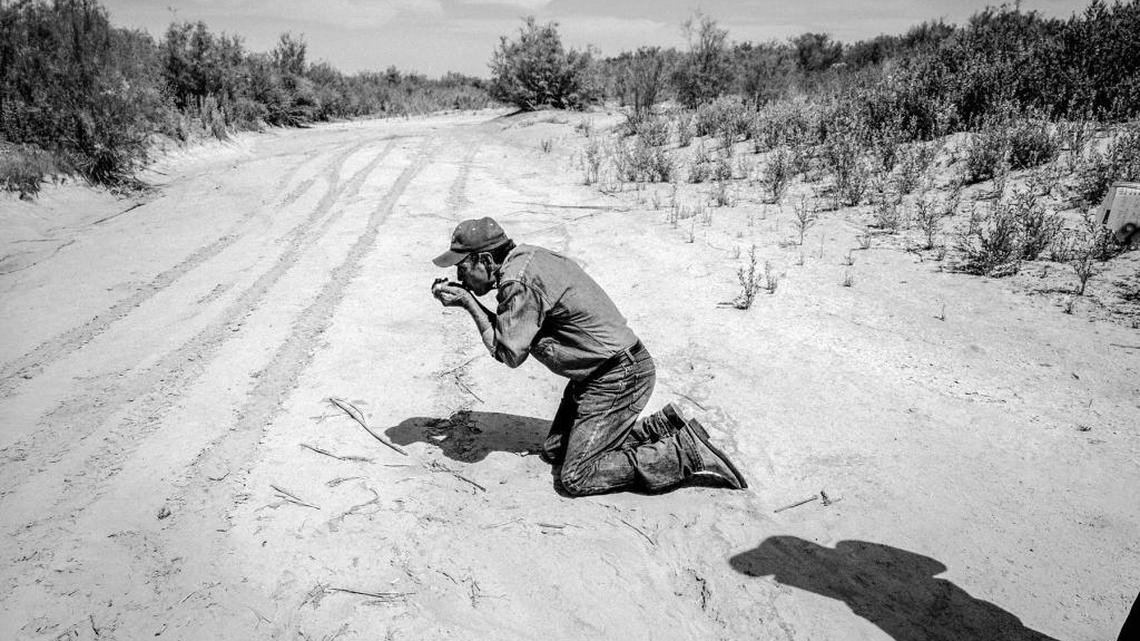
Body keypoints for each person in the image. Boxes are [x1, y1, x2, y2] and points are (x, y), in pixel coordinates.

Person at [430, 216, 747, 496]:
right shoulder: (527, 258)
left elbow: (508, 353)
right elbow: (510, 332)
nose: (459, 274)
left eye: (462, 265)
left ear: (485, 260)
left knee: (577, 475)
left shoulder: (518, 282)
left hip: (619, 375)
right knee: (556, 450)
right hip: (599, 373)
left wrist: (468, 304)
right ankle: (662, 427)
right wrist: (470, 298)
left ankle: (685, 452)